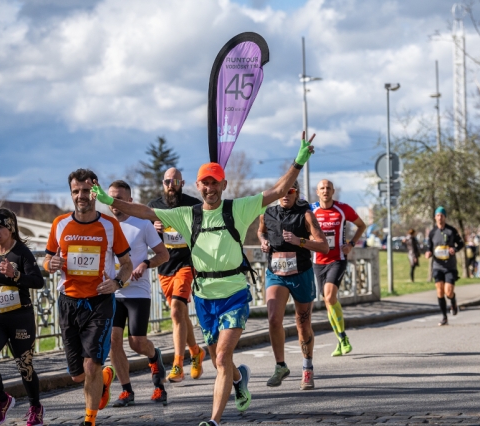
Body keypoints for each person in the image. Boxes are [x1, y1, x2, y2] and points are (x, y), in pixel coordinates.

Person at [91, 132, 316, 426]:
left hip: (235, 293)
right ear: (197, 186)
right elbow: (144, 211)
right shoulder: (187, 214)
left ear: (224, 185)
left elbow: (277, 190)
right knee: (218, 359)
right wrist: (110, 201)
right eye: (205, 183)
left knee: (222, 358)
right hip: (205, 298)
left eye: (215, 182)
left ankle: (214, 420)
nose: (210, 187)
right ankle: (239, 378)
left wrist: (298, 161)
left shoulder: (239, 208)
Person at [44, 169, 133, 426]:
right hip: (69, 302)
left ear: (95, 192)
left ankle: (89, 420)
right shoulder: (59, 223)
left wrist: (117, 283)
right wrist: (51, 263)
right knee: (77, 375)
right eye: (76, 191)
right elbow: (47, 259)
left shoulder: (109, 225)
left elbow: (126, 263)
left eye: (86, 190)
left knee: (90, 366)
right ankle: (105, 378)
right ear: (71, 193)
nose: (81, 196)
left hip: (99, 301)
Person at [257, 181, 329, 390]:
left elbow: (323, 245)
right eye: (282, 191)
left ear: (296, 193)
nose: (286, 195)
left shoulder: (305, 214)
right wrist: (263, 241)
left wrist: (301, 242)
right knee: (273, 319)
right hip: (276, 273)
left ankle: (307, 368)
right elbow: (261, 231)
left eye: (291, 191)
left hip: (301, 273)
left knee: (302, 324)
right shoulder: (268, 213)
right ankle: (280, 366)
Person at [106, 181, 170, 407]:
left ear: (130, 200)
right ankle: (126, 391)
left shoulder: (142, 224)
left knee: (137, 343)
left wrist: (144, 263)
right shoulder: (103, 225)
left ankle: (154, 357)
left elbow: (163, 256)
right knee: (114, 342)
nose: (114, 202)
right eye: (111, 197)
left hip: (137, 292)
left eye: (120, 198)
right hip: (112, 293)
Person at [0, 209, 45, 426]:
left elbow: (38, 281)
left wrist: (15, 275)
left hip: (20, 317)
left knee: (24, 367)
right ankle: (2, 399)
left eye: (0, 227)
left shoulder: (22, 252)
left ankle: (35, 407)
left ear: (11, 228)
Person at [147, 168, 205, 383]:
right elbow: (148, 236)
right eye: (167, 181)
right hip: (165, 265)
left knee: (176, 311)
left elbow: (202, 232)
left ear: (182, 183)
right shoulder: (154, 206)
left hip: (187, 263)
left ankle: (178, 364)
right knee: (178, 314)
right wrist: (155, 228)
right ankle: (196, 351)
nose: (171, 185)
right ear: (163, 183)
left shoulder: (193, 204)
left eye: (175, 181)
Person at [311, 179, 367, 357]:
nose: (325, 191)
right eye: (322, 188)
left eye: (328, 188)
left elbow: (361, 225)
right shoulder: (311, 210)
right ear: (317, 192)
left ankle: (343, 337)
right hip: (318, 261)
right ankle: (340, 339)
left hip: (337, 259)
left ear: (333, 191)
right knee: (328, 303)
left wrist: (351, 244)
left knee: (329, 296)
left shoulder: (343, 209)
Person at [425, 206, 465, 326]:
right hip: (437, 266)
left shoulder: (451, 231)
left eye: (442, 215)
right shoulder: (432, 233)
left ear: (445, 217)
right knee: (439, 291)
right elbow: (429, 247)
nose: (440, 217)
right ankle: (444, 317)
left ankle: (453, 300)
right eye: (437, 215)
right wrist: (428, 252)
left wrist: (455, 249)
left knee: (448, 292)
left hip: (450, 267)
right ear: (435, 217)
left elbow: (461, 243)